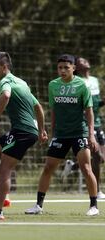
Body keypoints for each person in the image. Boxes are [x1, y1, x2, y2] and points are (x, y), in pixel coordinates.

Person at [0, 52, 47, 220]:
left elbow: (5, 95)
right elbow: (38, 107)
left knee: (5, 168)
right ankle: (1, 197)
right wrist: (42, 130)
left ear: (4, 67)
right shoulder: (22, 82)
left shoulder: (5, 81)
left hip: (22, 132)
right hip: (25, 131)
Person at [25, 54, 99, 216]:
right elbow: (54, 111)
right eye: (60, 67)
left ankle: (94, 206)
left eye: (66, 67)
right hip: (61, 134)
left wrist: (91, 135)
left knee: (86, 168)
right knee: (48, 167)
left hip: (79, 133)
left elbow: (89, 111)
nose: (63, 70)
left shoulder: (82, 85)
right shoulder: (53, 85)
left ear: (74, 68)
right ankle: (38, 205)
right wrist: (51, 132)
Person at [61, 57, 105, 199]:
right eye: (81, 61)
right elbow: (84, 104)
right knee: (97, 155)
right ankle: (97, 191)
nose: (84, 61)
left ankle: (73, 166)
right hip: (85, 124)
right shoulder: (78, 82)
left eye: (85, 60)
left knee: (101, 158)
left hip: (97, 122)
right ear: (76, 67)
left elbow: (96, 103)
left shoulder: (94, 80)